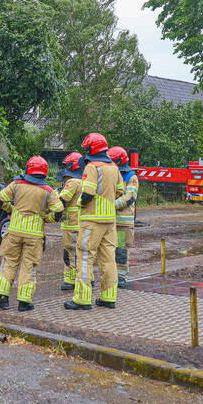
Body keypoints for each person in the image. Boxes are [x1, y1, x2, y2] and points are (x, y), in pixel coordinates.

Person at [0, 156, 64, 311]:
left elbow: (0, 198)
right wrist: (47, 218)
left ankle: (1, 298)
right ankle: (24, 302)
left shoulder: (17, 184)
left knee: (9, 263)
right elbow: (59, 210)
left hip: (14, 232)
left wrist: (10, 209)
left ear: (28, 169)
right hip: (34, 235)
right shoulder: (48, 191)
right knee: (29, 267)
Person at [65, 132, 124, 311]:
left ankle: (82, 299)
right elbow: (120, 191)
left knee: (85, 257)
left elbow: (88, 193)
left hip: (91, 220)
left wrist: (82, 204)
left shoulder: (92, 167)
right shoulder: (114, 167)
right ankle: (108, 297)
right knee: (108, 259)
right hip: (109, 220)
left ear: (91, 149)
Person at [108, 146, 138, 288]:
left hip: (121, 221)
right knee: (107, 250)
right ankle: (110, 275)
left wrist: (111, 205)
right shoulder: (112, 173)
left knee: (120, 251)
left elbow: (130, 197)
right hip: (108, 220)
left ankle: (120, 276)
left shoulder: (131, 176)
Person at [55, 151, 84, 290]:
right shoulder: (85, 181)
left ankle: (70, 280)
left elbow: (62, 200)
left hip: (71, 224)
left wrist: (54, 196)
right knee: (82, 253)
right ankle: (85, 278)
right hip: (81, 224)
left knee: (69, 252)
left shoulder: (72, 182)